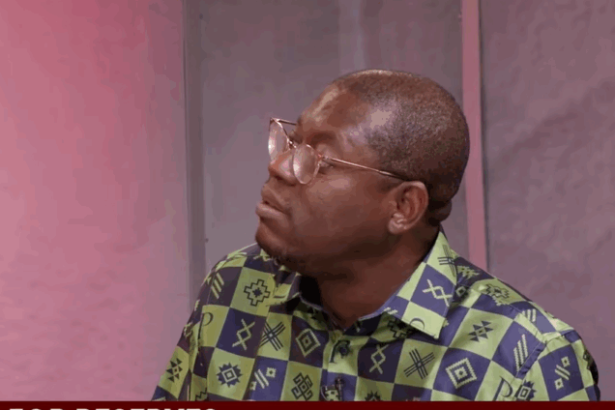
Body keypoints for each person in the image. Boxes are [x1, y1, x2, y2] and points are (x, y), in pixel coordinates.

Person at [152, 69, 600, 401]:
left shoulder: (526, 359)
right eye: (292, 143)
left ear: (403, 207)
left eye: (319, 160)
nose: (280, 167)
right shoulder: (235, 288)